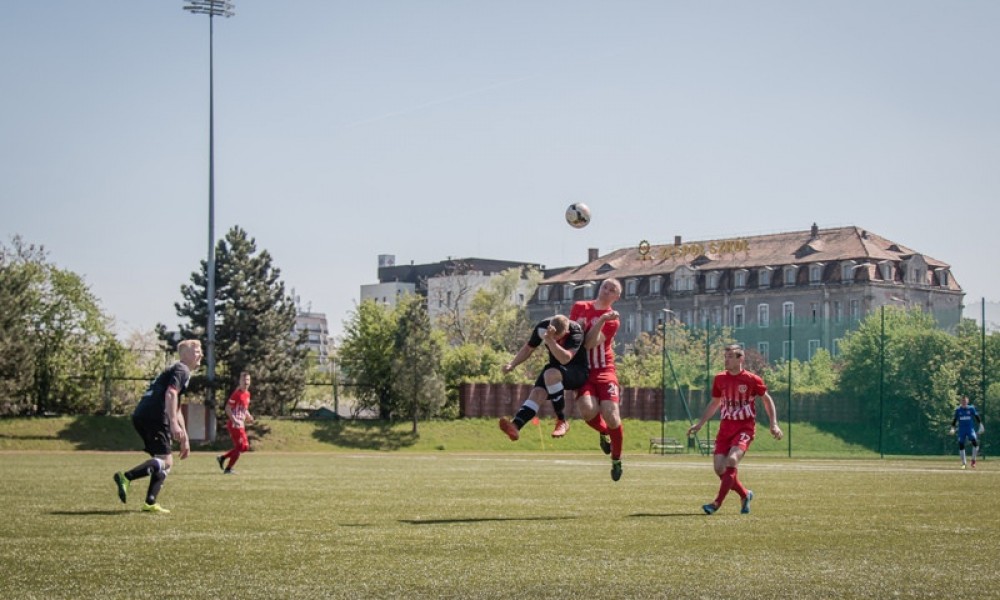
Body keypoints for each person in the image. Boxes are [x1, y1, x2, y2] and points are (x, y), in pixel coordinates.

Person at [687, 344, 783, 515]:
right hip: (725, 428)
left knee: (732, 460)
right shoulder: (720, 379)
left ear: (741, 359)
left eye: (730, 356)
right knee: (719, 469)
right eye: (726, 356)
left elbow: (767, 400)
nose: (726, 359)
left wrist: (773, 424)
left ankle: (716, 503)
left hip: (744, 428)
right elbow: (715, 402)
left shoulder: (752, 379)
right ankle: (745, 494)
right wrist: (700, 424)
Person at [113, 339, 202, 514]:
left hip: (144, 414)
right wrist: (174, 424)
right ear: (185, 354)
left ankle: (150, 502)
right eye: (197, 351)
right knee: (166, 460)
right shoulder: (182, 369)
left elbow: (176, 407)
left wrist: (184, 437)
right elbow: (171, 394)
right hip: (155, 415)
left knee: (163, 462)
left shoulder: (180, 371)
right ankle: (127, 477)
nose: (201, 354)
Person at [570, 278, 626, 481]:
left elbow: (590, 343)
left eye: (612, 289)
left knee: (612, 416)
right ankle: (607, 433)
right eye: (605, 286)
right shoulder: (580, 306)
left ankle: (616, 459)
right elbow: (574, 337)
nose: (607, 291)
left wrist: (600, 320)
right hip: (583, 370)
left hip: (605, 370)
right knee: (587, 410)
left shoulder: (613, 319)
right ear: (599, 288)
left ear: (617, 297)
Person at [499, 314, 588, 440]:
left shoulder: (575, 331)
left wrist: (550, 340)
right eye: (554, 338)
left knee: (550, 374)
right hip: (555, 369)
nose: (556, 340)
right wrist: (512, 364)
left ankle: (562, 421)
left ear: (566, 331)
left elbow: (565, 359)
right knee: (537, 392)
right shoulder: (542, 328)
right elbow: (529, 348)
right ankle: (516, 426)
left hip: (577, 370)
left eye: (559, 338)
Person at [217, 371, 254, 474]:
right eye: (244, 380)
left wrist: (249, 416)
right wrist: (235, 420)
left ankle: (223, 459)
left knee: (241, 447)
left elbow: (244, 409)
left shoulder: (247, 394)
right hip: (234, 424)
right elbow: (227, 408)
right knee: (244, 446)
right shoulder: (237, 394)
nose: (246, 382)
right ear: (240, 381)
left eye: (248, 380)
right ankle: (227, 466)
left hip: (240, 424)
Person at [951, 395, 984, 469]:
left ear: (967, 401)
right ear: (961, 402)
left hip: (970, 429)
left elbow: (976, 416)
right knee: (961, 444)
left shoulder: (971, 408)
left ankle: (973, 460)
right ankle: (964, 463)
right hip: (961, 430)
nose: (964, 403)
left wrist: (981, 425)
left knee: (975, 442)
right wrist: (952, 428)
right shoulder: (958, 410)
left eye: (965, 401)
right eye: (962, 401)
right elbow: (955, 420)